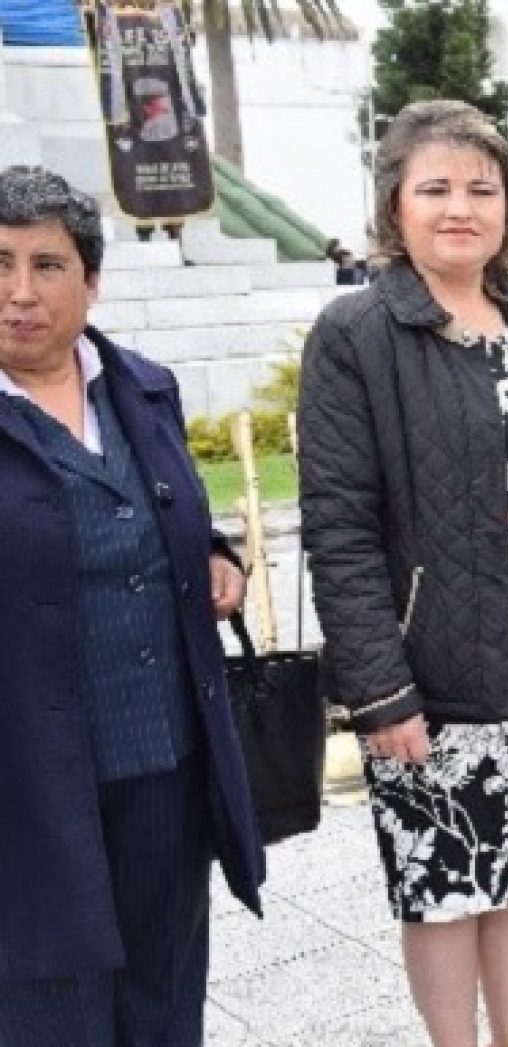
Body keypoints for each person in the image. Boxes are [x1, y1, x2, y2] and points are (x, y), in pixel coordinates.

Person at [299, 100, 508, 1047]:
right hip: (429, 665)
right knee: (445, 879)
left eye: (482, 188)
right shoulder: (357, 333)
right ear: (396, 204)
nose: (459, 207)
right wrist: (380, 692)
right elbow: (338, 528)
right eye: (435, 188)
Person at [0, 165, 262, 1046]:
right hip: (28, 776)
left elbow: (172, 503)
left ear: (92, 280)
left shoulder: (140, 386)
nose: (19, 293)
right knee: (50, 1001)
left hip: (162, 756)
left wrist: (215, 553)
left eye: (46, 265)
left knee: (163, 989)